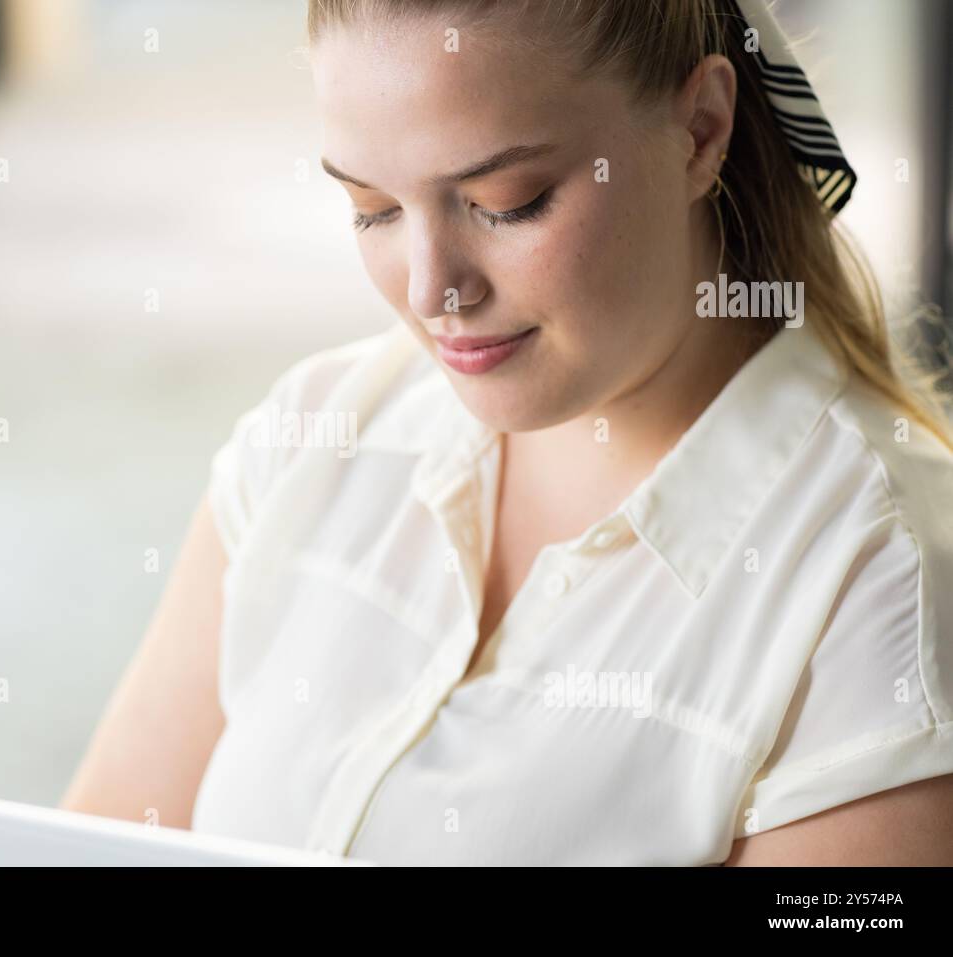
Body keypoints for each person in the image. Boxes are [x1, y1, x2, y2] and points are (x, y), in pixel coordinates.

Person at [60, 0, 953, 865]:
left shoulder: (880, 581)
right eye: (373, 208)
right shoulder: (316, 432)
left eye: (506, 201)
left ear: (702, 129)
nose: (429, 291)